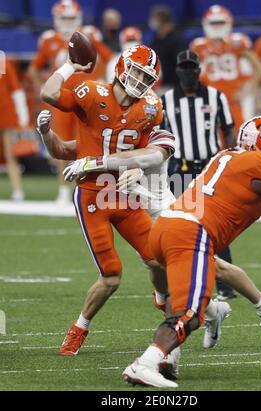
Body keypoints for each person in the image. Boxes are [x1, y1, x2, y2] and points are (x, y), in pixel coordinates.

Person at [122, 115, 261, 388]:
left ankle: (168, 357)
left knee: (175, 298)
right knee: (190, 314)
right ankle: (146, 363)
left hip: (166, 226)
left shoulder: (227, 156)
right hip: (191, 233)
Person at [39, 44, 175, 357]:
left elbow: (144, 152)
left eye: (147, 76)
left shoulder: (151, 107)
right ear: (121, 67)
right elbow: (49, 96)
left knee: (157, 257)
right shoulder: (91, 92)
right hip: (92, 196)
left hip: (124, 194)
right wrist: (71, 66)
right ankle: (79, 327)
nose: (140, 80)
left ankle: (162, 295)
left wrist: (135, 171)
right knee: (112, 276)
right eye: (137, 71)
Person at [162, 49, 236, 299]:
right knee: (180, 225)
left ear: (199, 69)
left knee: (217, 225)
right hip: (180, 168)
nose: (188, 72)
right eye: (184, 67)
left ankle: (225, 287)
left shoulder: (216, 97)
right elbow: (159, 136)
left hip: (210, 168)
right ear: (178, 70)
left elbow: (228, 129)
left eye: (192, 67)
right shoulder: (167, 100)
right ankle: (179, 285)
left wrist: (229, 159)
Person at [28, 0, 113, 204]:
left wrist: (102, 82)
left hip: (89, 99)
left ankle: (89, 187)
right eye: (64, 18)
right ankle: (63, 189)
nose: (67, 22)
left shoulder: (90, 34)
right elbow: (33, 69)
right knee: (61, 142)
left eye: (70, 18)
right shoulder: (49, 40)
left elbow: (110, 58)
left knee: (89, 143)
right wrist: (47, 86)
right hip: (63, 99)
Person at [190, 4, 261, 133]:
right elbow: (190, 73)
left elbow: (258, 67)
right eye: (214, 23)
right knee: (214, 138)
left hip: (236, 99)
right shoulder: (199, 45)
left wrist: (249, 89)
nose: (217, 26)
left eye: (220, 22)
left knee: (242, 135)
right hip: (211, 99)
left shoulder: (238, 42)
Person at [0, 59, 29, 201]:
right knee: (10, 154)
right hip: (6, 112)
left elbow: (16, 88)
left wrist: (22, 115)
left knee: (10, 154)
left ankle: (18, 191)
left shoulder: (3, 61)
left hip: (5, 113)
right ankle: (18, 191)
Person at [149, 5, 186, 91]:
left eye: (154, 19)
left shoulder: (177, 40)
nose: (152, 21)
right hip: (158, 84)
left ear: (161, 20)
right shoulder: (155, 38)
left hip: (174, 85)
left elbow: (181, 63)